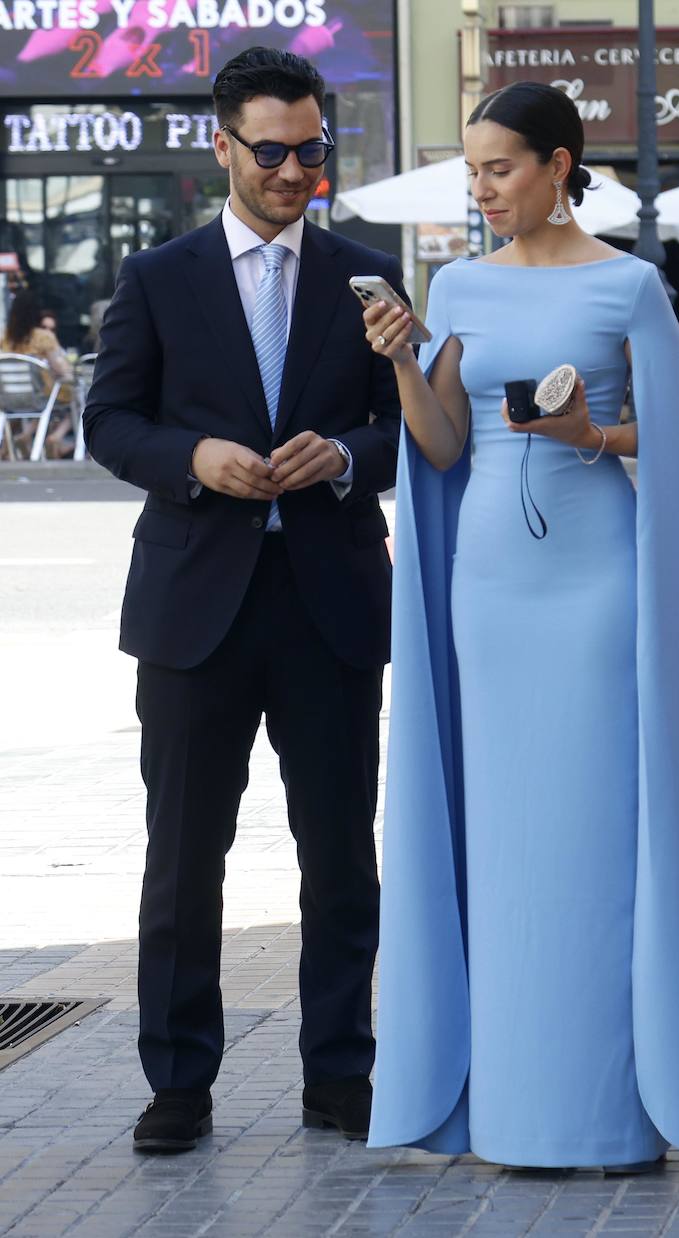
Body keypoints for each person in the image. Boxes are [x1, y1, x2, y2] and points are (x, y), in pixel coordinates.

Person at [364, 81, 679, 1170]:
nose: (482, 189)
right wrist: (400, 356)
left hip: (596, 581)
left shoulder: (633, 285)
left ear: (560, 164)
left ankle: (609, 1114)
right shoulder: (458, 283)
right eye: (472, 171)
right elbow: (442, 446)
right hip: (486, 586)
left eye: (501, 168)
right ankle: (517, 1111)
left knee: (592, 841)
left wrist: (591, 429)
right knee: (506, 840)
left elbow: (675, 445)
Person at [82, 47, 403, 1154]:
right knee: (183, 855)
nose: (294, 169)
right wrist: (195, 459)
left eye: (312, 149)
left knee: (340, 855)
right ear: (223, 146)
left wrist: (349, 456)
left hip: (330, 605)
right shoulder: (157, 277)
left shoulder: (368, 271)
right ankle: (179, 1080)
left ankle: (341, 1071)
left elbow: (403, 424)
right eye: (271, 150)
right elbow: (109, 421)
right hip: (192, 607)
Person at [2, 288, 76, 457]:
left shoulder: (5, 338)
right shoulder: (43, 337)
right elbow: (60, 367)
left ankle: (24, 436)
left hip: (10, 398)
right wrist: (70, 374)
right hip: (42, 395)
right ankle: (56, 437)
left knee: (43, 401)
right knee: (76, 399)